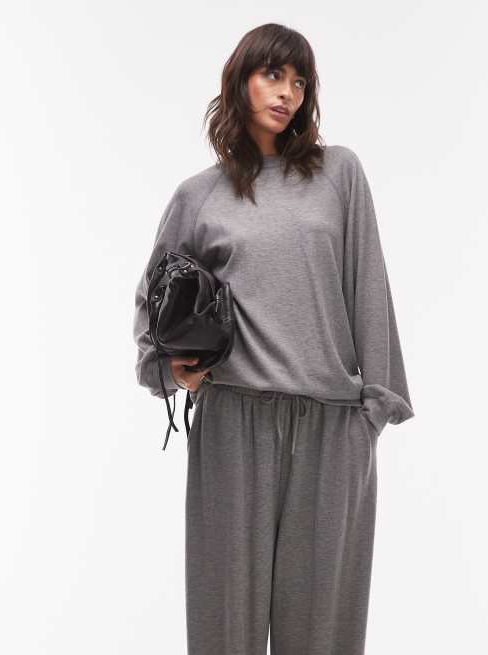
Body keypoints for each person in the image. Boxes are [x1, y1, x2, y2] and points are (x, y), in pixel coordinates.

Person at [133, 22, 415, 655]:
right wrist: (169, 371)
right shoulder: (198, 196)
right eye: (273, 75)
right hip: (233, 424)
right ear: (241, 80)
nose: (288, 92)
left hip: (332, 431)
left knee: (322, 635)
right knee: (224, 629)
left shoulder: (339, 173)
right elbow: (152, 299)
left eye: (300, 81)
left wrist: (374, 408)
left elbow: (368, 283)